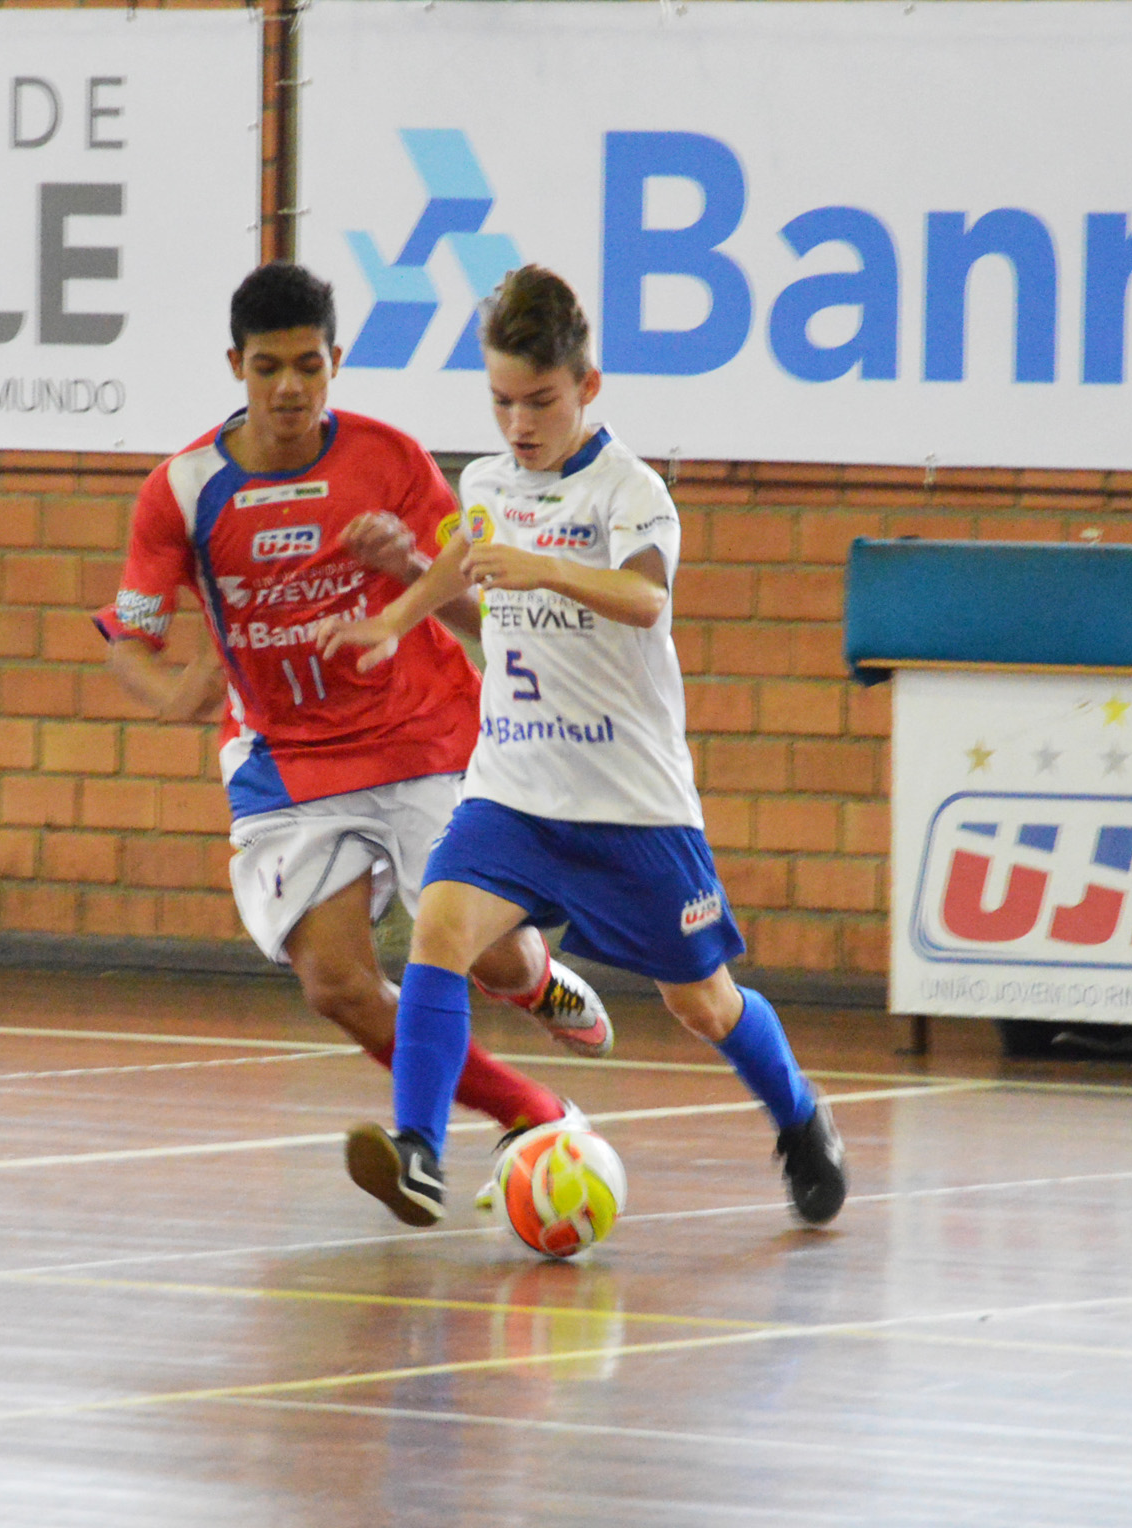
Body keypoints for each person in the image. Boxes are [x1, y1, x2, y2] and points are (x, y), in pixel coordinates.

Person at [319, 265, 847, 1228]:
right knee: (437, 932)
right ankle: (419, 1151)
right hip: (514, 789)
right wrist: (397, 609)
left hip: (629, 808)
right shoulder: (486, 484)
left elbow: (646, 600)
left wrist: (541, 566)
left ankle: (801, 1117)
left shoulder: (629, 491)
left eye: (541, 401)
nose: (519, 423)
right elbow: (483, 594)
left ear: (587, 387)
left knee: (702, 1006)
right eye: (502, 401)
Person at [96, 262, 610, 1147]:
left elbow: (483, 609)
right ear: (235, 366)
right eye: (268, 368)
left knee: (488, 952)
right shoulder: (180, 492)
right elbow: (128, 636)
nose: (289, 388)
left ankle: (533, 977)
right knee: (333, 984)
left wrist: (408, 567)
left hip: (419, 735)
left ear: (336, 361)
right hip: (285, 760)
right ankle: (527, 1112)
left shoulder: (392, 461)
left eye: (308, 365)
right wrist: (172, 690)